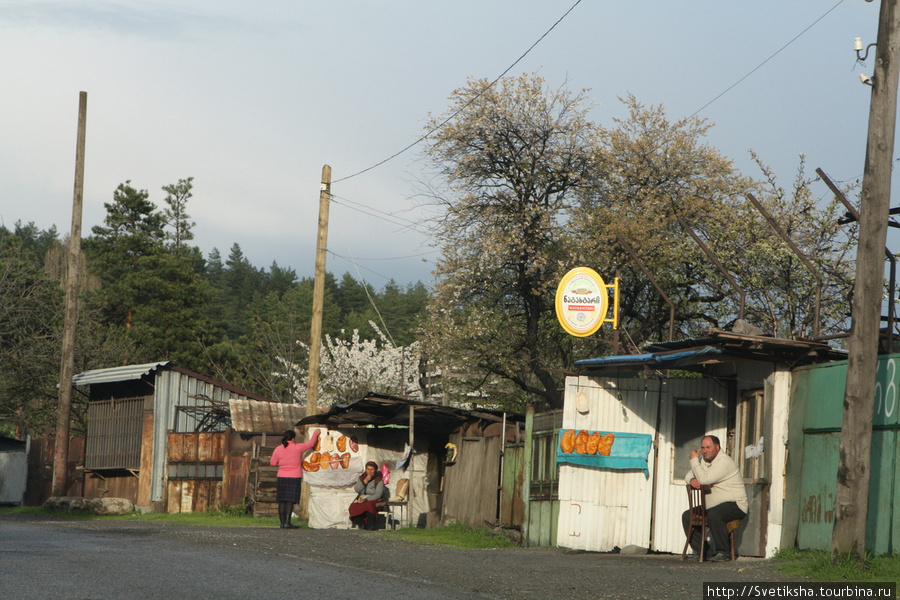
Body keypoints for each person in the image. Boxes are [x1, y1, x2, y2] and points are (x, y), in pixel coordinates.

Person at [682, 435, 748, 561]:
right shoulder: (703, 462)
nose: (705, 450)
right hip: (713, 506)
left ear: (717, 447)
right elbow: (688, 476)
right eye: (703, 447)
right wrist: (691, 480)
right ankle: (703, 551)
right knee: (687, 516)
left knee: (714, 515)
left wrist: (694, 460)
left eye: (708, 447)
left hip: (735, 504)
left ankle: (724, 552)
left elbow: (705, 479)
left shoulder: (724, 462)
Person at [270, 426, 320, 529]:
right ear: (293, 438)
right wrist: (316, 434)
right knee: (290, 500)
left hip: (282, 476)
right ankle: (287, 522)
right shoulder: (298, 447)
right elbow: (310, 444)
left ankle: (282, 523)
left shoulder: (278, 449)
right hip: (294, 477)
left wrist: (282, 463)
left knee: (282, 500)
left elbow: (273, 463)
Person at [348, 461, 384, 530]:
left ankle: (371, 525)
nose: (369, 471)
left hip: (373, 499)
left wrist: (366, 499)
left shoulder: (378, 480)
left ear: (375, 470)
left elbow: (378, 494)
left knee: (368, 505)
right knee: (353, 506)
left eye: (372, 469)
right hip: (362, 498)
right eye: (368, 469)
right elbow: (357, 490)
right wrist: (365, 481)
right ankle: (362, 524)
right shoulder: (362, 478)